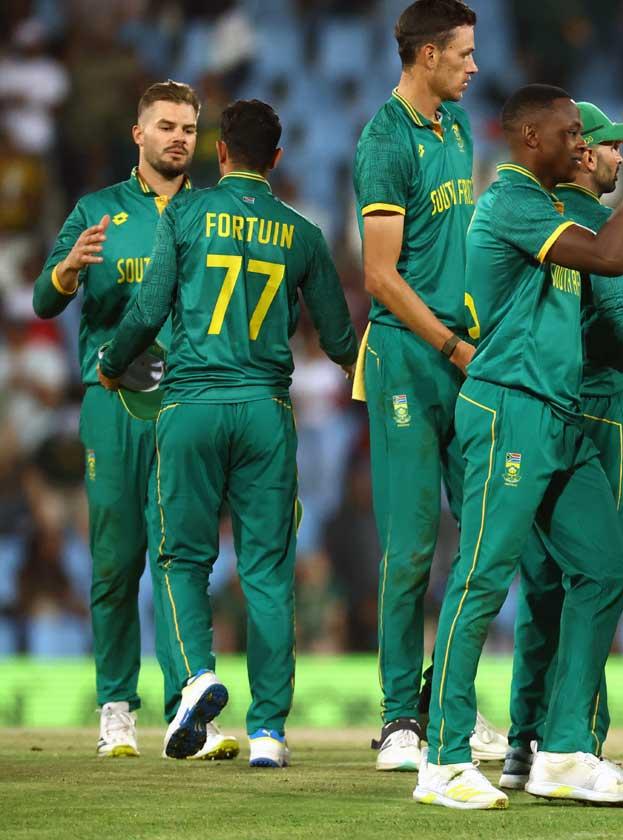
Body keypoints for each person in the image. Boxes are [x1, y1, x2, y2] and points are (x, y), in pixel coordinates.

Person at [416, 80, 623, 810]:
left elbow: (608, 256)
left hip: (560, 416)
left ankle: (561, 751)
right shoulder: (512, 201)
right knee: (483, 577)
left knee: (605, 569)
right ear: (532, 139)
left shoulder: (556, 208)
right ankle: (441, 759)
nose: (582, 146)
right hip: (510, 409)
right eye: (570, 135)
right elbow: (617, 257)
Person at [97, 99, 357, 769]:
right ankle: (269, 731)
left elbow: (150, 308)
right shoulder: (302, 232)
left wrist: (110, 360)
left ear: (220, 152)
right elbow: (336, 339)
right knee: (269, 573)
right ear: (276, 158)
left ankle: (195, 678)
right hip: (267, 412)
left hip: (191, 408)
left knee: (182, 558)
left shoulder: (183, 213)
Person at [30, 80, 242, 760]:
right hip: (112, 401)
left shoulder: (214, 213)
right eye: (166, 125)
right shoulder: (99, 211)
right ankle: (117, 709)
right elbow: (41, 300)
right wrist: (67, 269)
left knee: (183, 556)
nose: (179, 136)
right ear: (138, 134)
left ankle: (190, 709)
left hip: (188, 405)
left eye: (188, 127)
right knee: (117, 559)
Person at [499, 101, 623, 792]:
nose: (614, 157)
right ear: (583, 156)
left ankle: (525, 739)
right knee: (597, 577)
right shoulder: (587, 226)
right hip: (596, 417)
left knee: (544, 586)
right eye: (609, 147)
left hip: (529, 415)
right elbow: (619, 320)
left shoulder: (535, 221)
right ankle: (576, 741)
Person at [350, 0, 505, 771]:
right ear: (426, 56)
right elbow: (380, 276)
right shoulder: (384, 142)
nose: (475, 65)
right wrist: (450, 343)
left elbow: (455, 248)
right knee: (412, 549)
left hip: (459, 352)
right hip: (412, 357)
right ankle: (399, 720)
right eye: (464, 53)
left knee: (478, 542)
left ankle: (453, 702)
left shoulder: (456, 127)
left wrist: (476, 331)